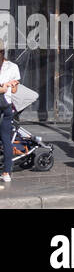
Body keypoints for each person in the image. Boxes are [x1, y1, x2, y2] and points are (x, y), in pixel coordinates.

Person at [0, 47, 18, 185]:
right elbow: (15, 90)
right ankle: (7, 172)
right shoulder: (13, 67)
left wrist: (4, 86)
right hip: (7, 106)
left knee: (6, 138)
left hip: (4, 104)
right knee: (6, 139)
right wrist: (7, 85)